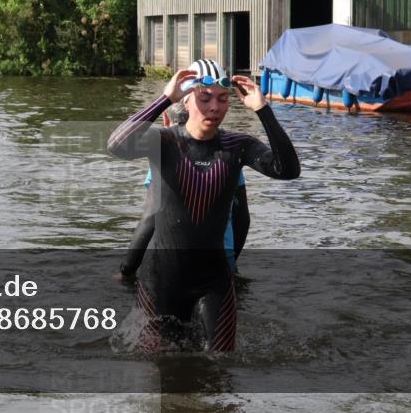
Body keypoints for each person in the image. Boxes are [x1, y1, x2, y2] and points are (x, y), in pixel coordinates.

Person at [106, 59, 299, 352]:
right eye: (205, 98)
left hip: (214, 283)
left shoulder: (237, 146)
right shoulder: (163, 141)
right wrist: (164, 99)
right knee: (156, 369)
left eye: (223, 99)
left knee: (221, 370)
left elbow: (288, 170)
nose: (215, 107)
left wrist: (263, 110)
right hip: (161, 282)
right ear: (187, 101)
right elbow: (116, 144)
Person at [116, 101, 250, 284]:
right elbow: (242, 219)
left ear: (165, 120)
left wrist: (127, 270)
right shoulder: (228, 158)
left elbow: (150, 218)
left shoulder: (164, 154)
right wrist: (230, 260)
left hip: (173, 261)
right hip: (219, 260)